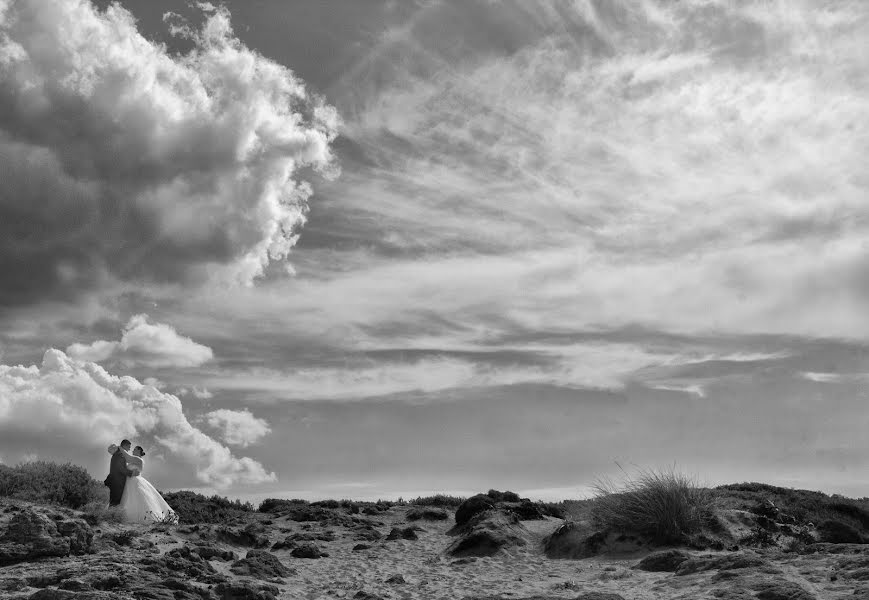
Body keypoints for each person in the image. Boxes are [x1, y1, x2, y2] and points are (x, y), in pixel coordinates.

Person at [107, 443, 177, 523]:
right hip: (128, 482)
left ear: (139, 451)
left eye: (135, 449)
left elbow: (128, 457)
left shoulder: (138, 459)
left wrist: (119, 448)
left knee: (139, 498)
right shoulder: (133, 461)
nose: (132, 450)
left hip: (135, 481)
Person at [104, 439, 134, 506]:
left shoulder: (118, 453)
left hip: (115, 481)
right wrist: (131, 473)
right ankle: (111, 515)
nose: (129, 449)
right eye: (129, 447)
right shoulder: (120, 454)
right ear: (125, 445)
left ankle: (111, 515)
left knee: (114, 501)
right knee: (115, 501)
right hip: (117, 482)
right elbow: (120, 468)